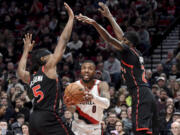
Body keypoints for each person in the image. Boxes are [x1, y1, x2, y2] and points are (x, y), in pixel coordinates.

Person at [76, 2, 159, 135]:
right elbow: (121, 36)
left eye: (123, 41)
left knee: (139, 131)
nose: (121, 42)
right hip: (146, 93)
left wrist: (94, 23)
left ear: (128, 43)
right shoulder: (134, 51)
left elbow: (109, 39)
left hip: (140, 93)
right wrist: (109, 16)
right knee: (148, 131)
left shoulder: (127, 50)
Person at [17, 2, 74, 135]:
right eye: (49, 54)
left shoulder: (31, 76)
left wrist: (26, 51)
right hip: (48, 117)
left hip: (34, 119)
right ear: (43, 59)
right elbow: (63, 41)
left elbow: (20, 72)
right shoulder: (47, 68)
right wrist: (71, 19)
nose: (52, 55)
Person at [65, 60, 110, 135]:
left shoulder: (101, 85)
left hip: (95, 128)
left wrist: (93, 97)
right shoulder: (74, 86)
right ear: (81, 71)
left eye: (90, 68)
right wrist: (69, 102)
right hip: (78, 127)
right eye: (84, 68)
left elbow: (106, 104)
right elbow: (71, 109)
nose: (86, 71)